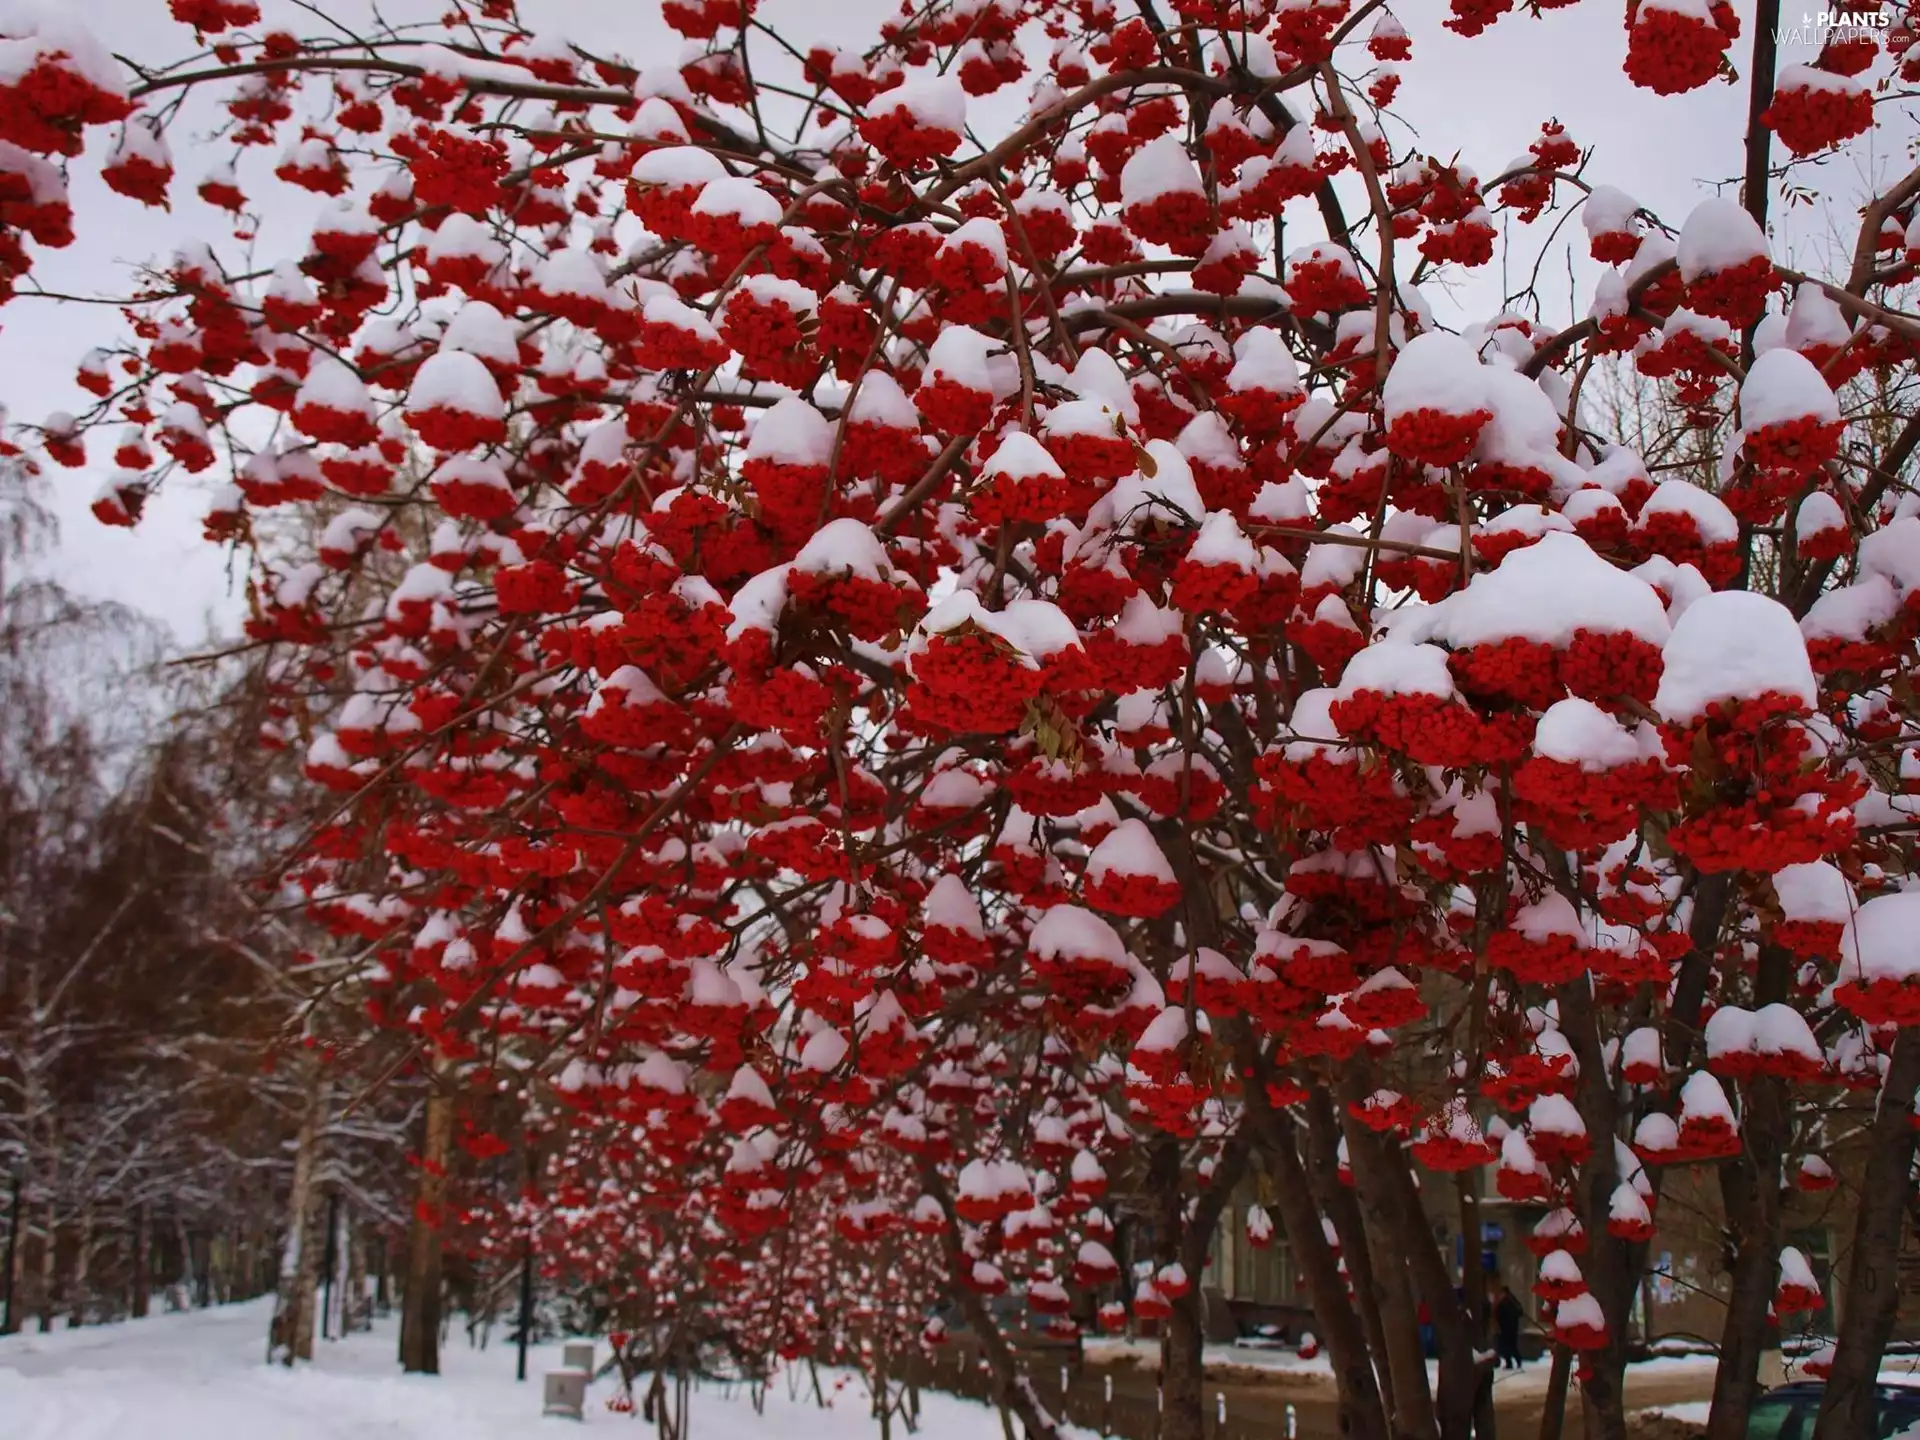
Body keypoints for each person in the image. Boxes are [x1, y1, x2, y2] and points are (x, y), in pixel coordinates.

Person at [1489, 1279, 1525, 1370]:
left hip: (1505, 1328)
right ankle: (1515, 1362)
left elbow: (1500, 1314)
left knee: (1507, 1346)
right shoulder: (1512, 1299)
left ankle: (1511, 1362)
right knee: (1511, 1345)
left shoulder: (1505, 1301)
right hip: (1511, 1327)